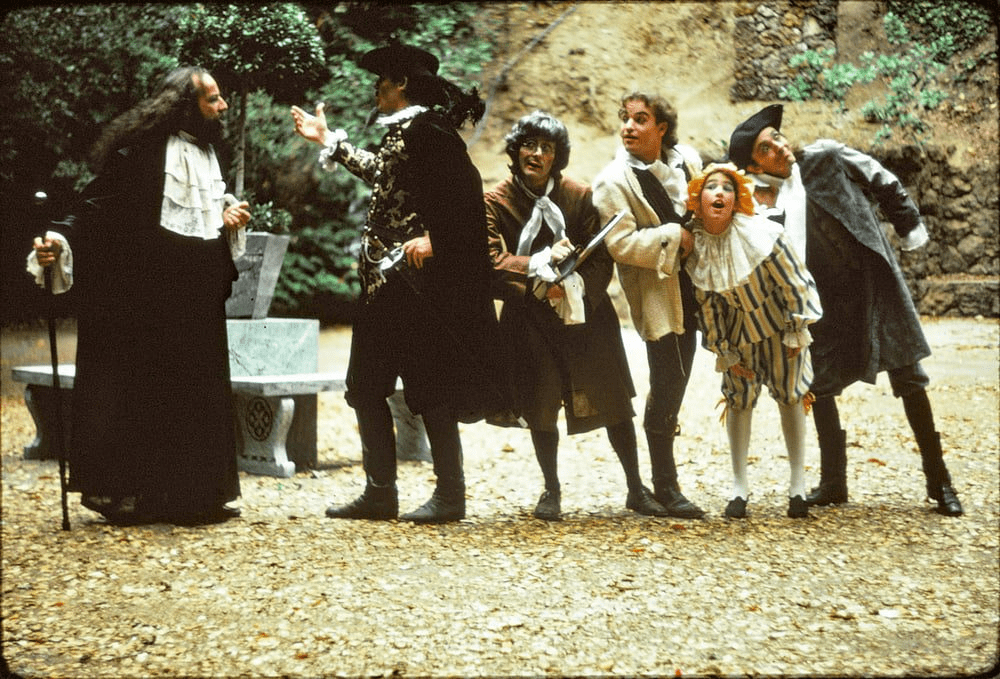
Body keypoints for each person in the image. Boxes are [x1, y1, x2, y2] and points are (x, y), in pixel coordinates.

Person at [290, 40, 510, 524]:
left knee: (429, 387)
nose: (375, 88)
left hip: (413, 286)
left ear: (402, 83)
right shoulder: (403, 132)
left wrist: (437, 239)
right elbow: (383, 176)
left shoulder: (430, 129)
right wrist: (329, 140)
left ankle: (451, 496)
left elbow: (467, 197)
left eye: (381, 80)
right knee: (365, 386)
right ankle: (379, 492)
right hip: (379, 284)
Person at [28, 66, 251, 525]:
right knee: (145, 392)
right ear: (186, 106)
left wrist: (226, 217)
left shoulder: (211, 154)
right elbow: (94, 209)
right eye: (212, 99)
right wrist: (59, 241)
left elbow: (204, 214)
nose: (222, 106)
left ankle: (194, 495)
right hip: (147, 300)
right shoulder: (141, 154)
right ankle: (142, 493)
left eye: (219, 98)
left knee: (194, 393)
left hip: (196, 300)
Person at [728, 103, 963, 516]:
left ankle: (939, 479)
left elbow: (883, 181)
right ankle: (834, 481)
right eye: (767, 147)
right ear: (753, 162)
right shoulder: (762, 201)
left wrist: (907, 226)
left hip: (873, 285)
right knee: (817, 385)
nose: (780, 147)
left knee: (909, 374)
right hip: (820, 303)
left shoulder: (826, 158)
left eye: (778, 138)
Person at [484, 111, 670, 520]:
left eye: (546, 148)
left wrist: (570, 290)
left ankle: (636, 488)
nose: (536, 154)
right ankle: (551, 489)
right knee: (540, 401)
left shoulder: (580, 195)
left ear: (557, 156)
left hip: (585, 314)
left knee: (613, 397)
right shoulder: (495, 201)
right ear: (515, 151)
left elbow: (601, 258)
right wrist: (537, 272)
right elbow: (490, 262)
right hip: (528, 316)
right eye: (529, 145)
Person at [684, 163, 822, 518]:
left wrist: (796, 329)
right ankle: (739, 488)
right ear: (698, 200)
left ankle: (797, 487)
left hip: (779, 328)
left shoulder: (761, 233)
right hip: (739, 335)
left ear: (737, 198)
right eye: (710, 187)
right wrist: (724, 351)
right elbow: (708, 305)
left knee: (791, 396)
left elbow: (795, 281)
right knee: (738, 399)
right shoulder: (698, 246)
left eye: (727, 188)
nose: (719, 193)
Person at [591, 92, 705, 519]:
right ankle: (665, 484)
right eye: (625, 118)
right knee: (669, 378)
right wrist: (675, 237)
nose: (629, 127)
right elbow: (619, 244)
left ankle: (670, 481)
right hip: (660, 294)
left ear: (661, 128)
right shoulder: (613, 181)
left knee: (684, 376)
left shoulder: (688, 162)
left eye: (641, 119)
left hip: (700, 288)